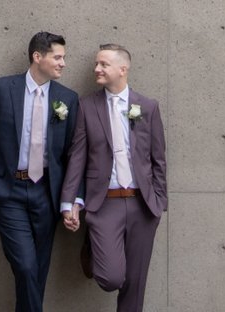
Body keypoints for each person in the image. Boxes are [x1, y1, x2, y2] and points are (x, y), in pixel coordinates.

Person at [0, 31, 79, 312]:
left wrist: (71, 199)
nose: (63, 63)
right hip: (8, 192)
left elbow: (73, 154)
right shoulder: (2, 89)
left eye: (63, 58)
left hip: (47, 193)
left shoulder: (68, 98)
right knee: (27, 266)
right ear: (37, 57)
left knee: (38, 270)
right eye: (58, 57)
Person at [59, 44, 167, 312]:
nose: (97, 69)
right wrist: (69, 201)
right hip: (104, 204)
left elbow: (158, 158)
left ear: (123, 69)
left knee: (135, 284)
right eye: (97, 64)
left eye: (103, 64)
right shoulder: (86, 106)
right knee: (112, 278)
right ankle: (95, 245)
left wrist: (159, 202)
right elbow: (77, 157)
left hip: (143, 205)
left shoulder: (148, 106)